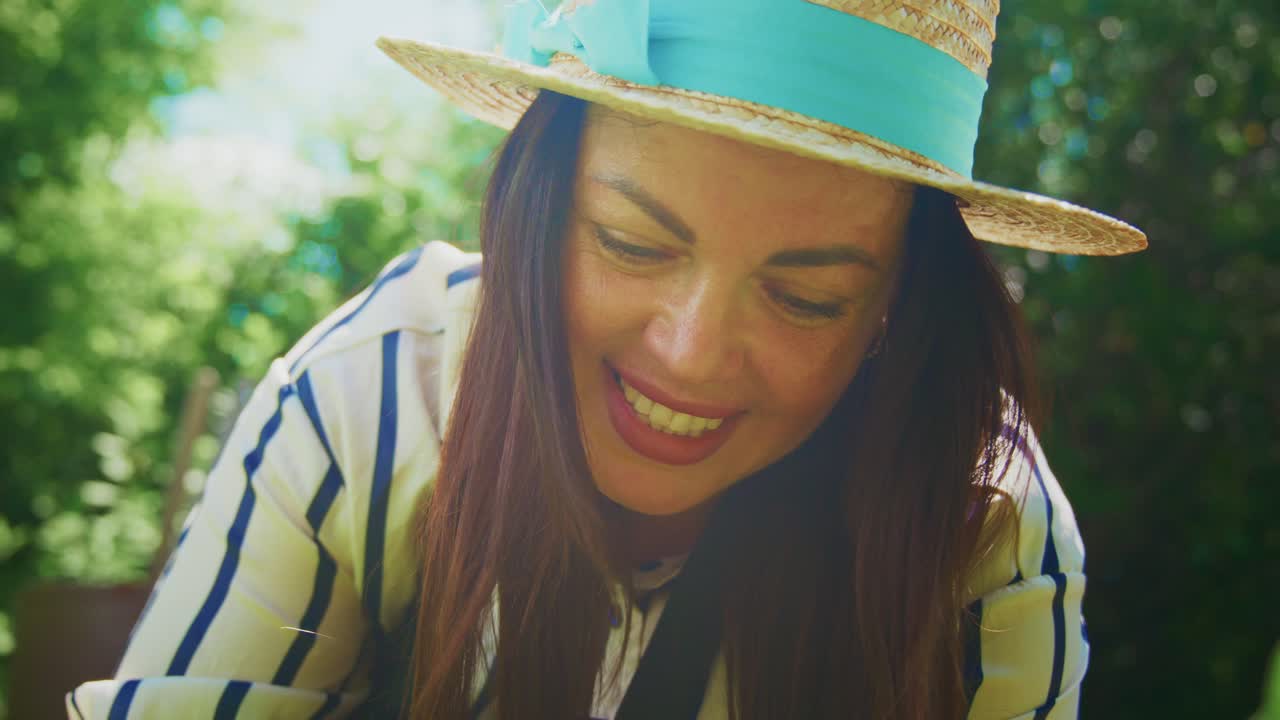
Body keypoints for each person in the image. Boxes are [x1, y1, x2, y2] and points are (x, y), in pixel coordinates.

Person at [69, 0, 1147, 718]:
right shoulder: (363, 398)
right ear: (534, 203)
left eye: (804, 297)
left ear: (898, 311)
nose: (689, 354)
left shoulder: (984, 529)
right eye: (631, 244)